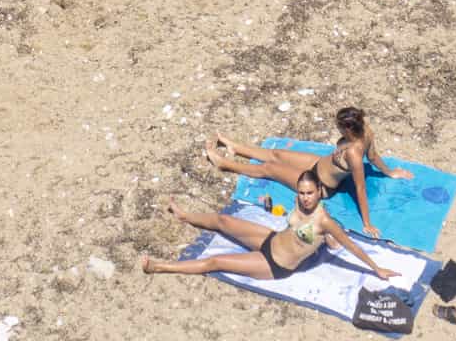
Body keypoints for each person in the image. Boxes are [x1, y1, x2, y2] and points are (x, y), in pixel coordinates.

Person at [139, 166, 401, 282]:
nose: (305, 198)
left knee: (215, 262)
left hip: (276, 265)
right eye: (301, 192)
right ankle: (185, 216)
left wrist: (376, 268)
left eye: (310, 193)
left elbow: (351, 247)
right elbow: (289, 222)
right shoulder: (300, 203)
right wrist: (269, 204)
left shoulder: (325, 221)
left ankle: (159, 267)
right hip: (270, 239)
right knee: (223, 220)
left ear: (320, 191)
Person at [202, 105, 414, 239]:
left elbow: (360, 189)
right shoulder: (366, 131)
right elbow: (375, 156)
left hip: (319, 185)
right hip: (319, 163)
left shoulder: (354, 155)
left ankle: (224, 164)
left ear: (348, 130)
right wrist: (390, 172)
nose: (337, 131)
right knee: (276, 154)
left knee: (269, 169)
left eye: (339, 128)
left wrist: (367, 223)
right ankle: (235, 146)